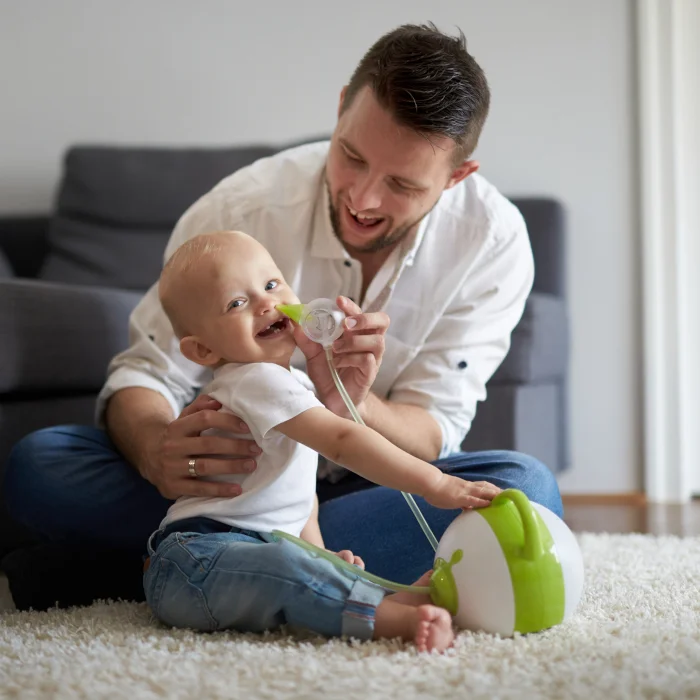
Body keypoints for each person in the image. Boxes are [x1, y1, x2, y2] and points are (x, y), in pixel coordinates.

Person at [3, 22, 562, 610]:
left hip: (372, 474)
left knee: (526, 489)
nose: (363, 200)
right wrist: (158, 452)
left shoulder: (491, 244)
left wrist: (351, 401)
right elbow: (148, 371)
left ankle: (188, 567)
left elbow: (432, 432)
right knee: (41, 465)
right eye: (350, 156)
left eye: (400, 183)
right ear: (342, 107)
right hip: (223, 487)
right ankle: (273, 567)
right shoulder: (238, 210)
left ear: (455, 177)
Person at [145, 229, 501, 651]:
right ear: (203, 351)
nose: (266, 303)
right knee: (285, 566)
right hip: (197, 560)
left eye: (272, 284)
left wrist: (320, 553)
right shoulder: (254, 379)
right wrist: (437, 484)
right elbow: (342, 441)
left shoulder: (290, 383)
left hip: (246, 555)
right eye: (237, 303)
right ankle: (388, 617)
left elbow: (299, 498)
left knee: (306, 566)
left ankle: (379, 597)